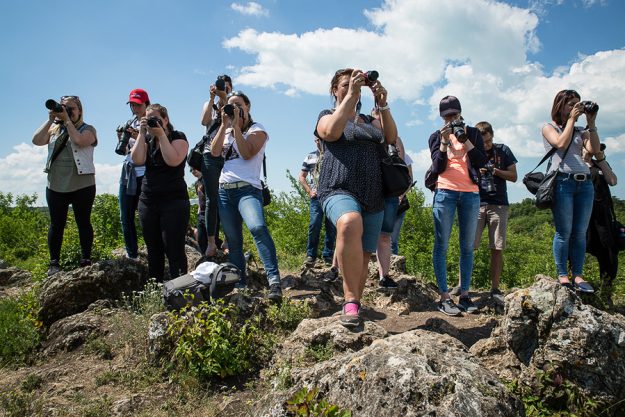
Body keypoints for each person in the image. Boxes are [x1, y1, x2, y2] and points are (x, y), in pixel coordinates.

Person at [315, 68, 398, 327]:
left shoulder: (369, 121)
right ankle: (349, 300)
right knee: (349, 221)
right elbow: (331, 133)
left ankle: (355, 305)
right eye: (344, 84)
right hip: (338, 187)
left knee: (363, 255)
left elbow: (391, 138)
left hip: (373, 193)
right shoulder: (327, 115)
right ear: (334, 90)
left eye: (355, 85)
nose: (352, 88)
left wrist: (382, 104)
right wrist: (350, 96)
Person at [210, 91, 282, 301]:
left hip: (248, 190)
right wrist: (224, 125)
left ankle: (274, 281)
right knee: (233, 241)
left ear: (247, 107)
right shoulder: (226, 131)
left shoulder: (257, 129)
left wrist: (236, 128)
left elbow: (247, 153)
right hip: (225, 191)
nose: (233, 108)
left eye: (238, 104)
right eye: (230, 105)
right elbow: (214, 153)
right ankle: (240, 284)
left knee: (257, 228)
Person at [428, 96, 487, 316]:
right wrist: (444, 142)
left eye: (454, 115)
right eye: (447, 116)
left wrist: (466, 139)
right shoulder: (436, 136)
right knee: (441, 245)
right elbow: (437, 167)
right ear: (442, 117)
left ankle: (465, 295)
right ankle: (444, 297)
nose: (451, 119)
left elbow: (481, 162)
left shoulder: (474, 133)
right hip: (445, 191)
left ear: (461, 113)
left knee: (467, 247)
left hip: (470, 193)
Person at [452, 121, 517, 305]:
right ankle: (461, 284)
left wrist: (494, 170)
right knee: (468, 246)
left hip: (499, 204)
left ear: (492, 136)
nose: (487, 145)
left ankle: (495, 288)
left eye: (489, 141)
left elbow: (514, 176)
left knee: (497, 247)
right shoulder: (472, 152)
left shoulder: (503, 150)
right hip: (476, 202)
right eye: (483, 142)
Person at [542, 89, 600, 293]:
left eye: (578, 103)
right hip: (562, 182)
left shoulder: (581, 130)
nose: (576, 107)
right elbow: (560, 143)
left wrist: (591, 123)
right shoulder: (549, 127)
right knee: (564, 231)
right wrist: (571, 120)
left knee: (580, 233)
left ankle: (578, 275)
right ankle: (562, 274)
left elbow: (594, 150)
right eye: (571, 103)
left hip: (585, 184)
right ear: (560, 106)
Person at [32, 95, 97, 276]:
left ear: (80, 111)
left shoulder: (88, 129)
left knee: (83, 222)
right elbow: (36, 140)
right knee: (56, 224)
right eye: (63, 107)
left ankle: (86, 259)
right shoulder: (54, 130)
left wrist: (67, 120)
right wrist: (51, 119)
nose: (67, 111)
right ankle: (54, 263)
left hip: (82, 183)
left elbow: (79, 140)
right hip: (56, 183)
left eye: (71, 108)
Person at [131, 104, 190, 282]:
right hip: (148, 200)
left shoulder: (178, 137)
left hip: (174, 200)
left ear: (165, 119)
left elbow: (173, 160)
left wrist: (162, 135)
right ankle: (156, 287)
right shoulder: (147, 139)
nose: (152, 122)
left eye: (155, 118)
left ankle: (180, 288)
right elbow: (137, 160)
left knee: (174, 247)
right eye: (148, 118)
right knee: (153, 248)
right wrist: (142, 133)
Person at [200, 74, 233, 257]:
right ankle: (211, 243)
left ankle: (228, 240)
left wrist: (225, 98)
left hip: (229, 154)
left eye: (226, 87)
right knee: (212, 200)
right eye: (221, 86)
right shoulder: (209, 103)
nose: (223, 89)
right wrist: (212, 98)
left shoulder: (233, 103)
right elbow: (204, 122)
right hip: (210, 154)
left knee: (228, 198)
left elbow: (234, 121)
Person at [116, 88, 149, 260]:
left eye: (138, 105)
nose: (135, 108)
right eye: (132, 105)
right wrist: (121, 139)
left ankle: (154, 250)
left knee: (147, 215)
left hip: (145, 173)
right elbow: (126, 151)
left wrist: (139, 136)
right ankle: (132, 254)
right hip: (129, 172)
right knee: (125, 215)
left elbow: (155, 144)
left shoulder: (152, 121)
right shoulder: (130, 122)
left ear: (146, 104)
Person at [584, 143, 618, 296]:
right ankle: (576, 283)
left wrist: (601, 160)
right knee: (578, 248)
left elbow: (613, 181)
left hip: (603, 216)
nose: (595, 149)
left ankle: (606, 289)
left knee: (608, 251)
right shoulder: (573, 164)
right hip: (583, 215)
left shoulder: (600, 164)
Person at [299, 137, 336, 267]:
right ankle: (311, 255)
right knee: (314, 224)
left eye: (321, 139)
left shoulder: (334, 155)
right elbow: (301, 176)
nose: (319, 141)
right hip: (316, 197)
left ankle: (328, 254)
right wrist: (309, 191)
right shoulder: (310, 156)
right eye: (316, 139)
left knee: (331, 226)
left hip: (331, 195)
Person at [191, 168, 208, 255]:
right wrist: (198, 212)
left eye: (194, 169)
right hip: (201, 213)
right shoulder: (196, 183)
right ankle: (205, 258)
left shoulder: (207, 179)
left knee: (211, 238)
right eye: (191, 170)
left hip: (210, 212)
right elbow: (199, 199)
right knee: (201, 238)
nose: (193, 171)